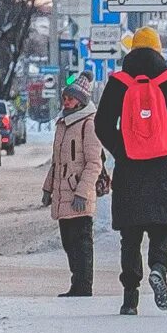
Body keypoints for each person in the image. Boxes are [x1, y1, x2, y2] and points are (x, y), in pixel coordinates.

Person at [96, 27, 167, 314]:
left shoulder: (119, 82)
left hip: (130, 166)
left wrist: (122, 148)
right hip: (163, 165)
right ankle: (158, 267)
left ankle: (130, 296)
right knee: (161, 225)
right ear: (158, 51)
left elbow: (102, 124)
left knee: (130, 233)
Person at [42, 80, 106, 297]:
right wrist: (48, 188)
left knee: (81, 242)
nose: (66, 101)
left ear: (81, 100)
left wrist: (81, 192)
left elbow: (94, 163)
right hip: (63, 192)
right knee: (68, 242)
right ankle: (76, 283)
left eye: (70, 98)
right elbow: (57, 162)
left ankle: (84, 286)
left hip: (79, 194)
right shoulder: (63, 123)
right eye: (65, 98)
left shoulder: (89, 124)